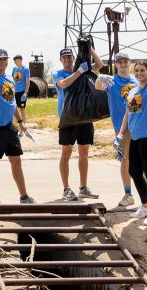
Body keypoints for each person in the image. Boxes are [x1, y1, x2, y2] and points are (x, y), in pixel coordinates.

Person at [0, 48, 35, 204]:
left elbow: (12, 102)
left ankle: (24, 196)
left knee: (16, 160)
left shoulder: (10, 78)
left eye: (4, 59)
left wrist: (20, 122)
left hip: (9, 126)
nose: (2, 62)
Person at [54, 42, 104, 201]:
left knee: (84, 153)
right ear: (61, 59)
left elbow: (101, 65)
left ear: (74, 57)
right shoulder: (58, 73)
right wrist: (79, 72)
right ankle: (66, 189)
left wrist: (89, 49)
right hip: (68, 119)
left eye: (70, 57)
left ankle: (83, 187)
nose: (68, 60)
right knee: (66, 153)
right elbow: (63, 84)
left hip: (85, 117)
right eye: (65, 57)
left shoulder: (85, 70)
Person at [118, 61, 147, 227]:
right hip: (137, 138)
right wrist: (120, 134)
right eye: (136, 70)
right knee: (134, 170)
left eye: (142, 70)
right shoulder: (133, 91)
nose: (139, 73)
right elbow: (128, 115)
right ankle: (146, 206)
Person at [95, 50, 136, 208]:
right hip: (121, 128)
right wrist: (100, 77)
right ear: (116, 64)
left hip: (139, 126)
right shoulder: (112, 82)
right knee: (125, 162)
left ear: (129, 63)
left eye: (126, 61)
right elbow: (97, 86)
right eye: (120, 62)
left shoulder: (136, 80)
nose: (123, 64)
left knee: (142, 162)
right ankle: (128, 194)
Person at [12, 54, 31, 135]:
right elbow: (12, 80)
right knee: (14, 109)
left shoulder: (26, 69)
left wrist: (25, 93)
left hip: (22, 92)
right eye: (14, 61)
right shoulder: (14, 69)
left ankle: (23, 129)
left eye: (17, 60)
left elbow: (28, 81)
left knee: (22, 109)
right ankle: (15, 127)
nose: (15, 62)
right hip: (14, 92)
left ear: (20, 60)